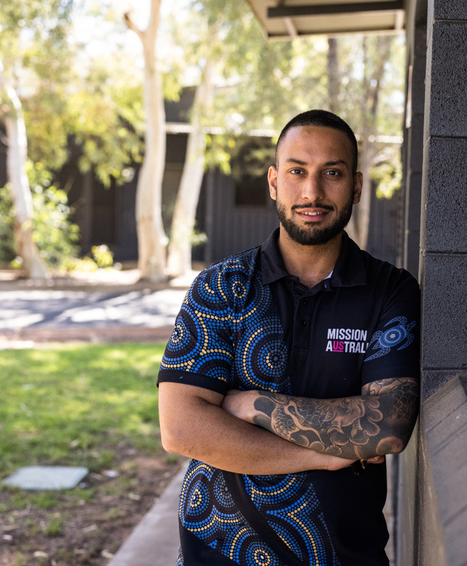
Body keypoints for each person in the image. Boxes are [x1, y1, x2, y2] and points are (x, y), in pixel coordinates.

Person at [157, 109, 421, 566]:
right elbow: (181, 428)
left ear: (356, 186)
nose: (312, 191)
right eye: (297, 171)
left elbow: (386, 425)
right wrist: (322, 455)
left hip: (344, 554)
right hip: (218, 553)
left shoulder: (389, 291)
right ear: (275, 182)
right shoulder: (223, 285)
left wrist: (245, 405)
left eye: (331, 173)